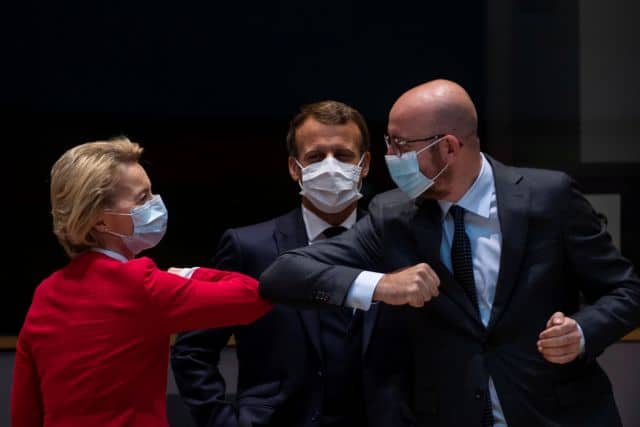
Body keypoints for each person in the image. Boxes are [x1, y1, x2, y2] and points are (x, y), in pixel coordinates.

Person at [259, 80, 640, 426]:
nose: (390, 157)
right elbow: (284, 274)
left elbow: (627, 291)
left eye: (400, 144)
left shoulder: (548, 198)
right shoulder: (393, 216)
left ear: (448, 147)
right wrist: (380, 285)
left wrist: (582, 332)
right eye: (389, 142)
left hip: (557, 414)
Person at [171, 100, 415, 427]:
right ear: (294, 167)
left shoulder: (398, 242)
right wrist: (223, 421)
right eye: (315, 156)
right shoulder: (249, 247)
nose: (330, 166)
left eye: (342, 155)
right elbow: (193, 350)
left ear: (365, 164)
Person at [10, 138, 272, 427]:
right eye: (142, 198)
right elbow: (253, 297)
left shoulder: (45, 292)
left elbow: (25, 411)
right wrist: (187, 274)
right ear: (99, 220)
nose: (156, 203)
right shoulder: (141, 285)